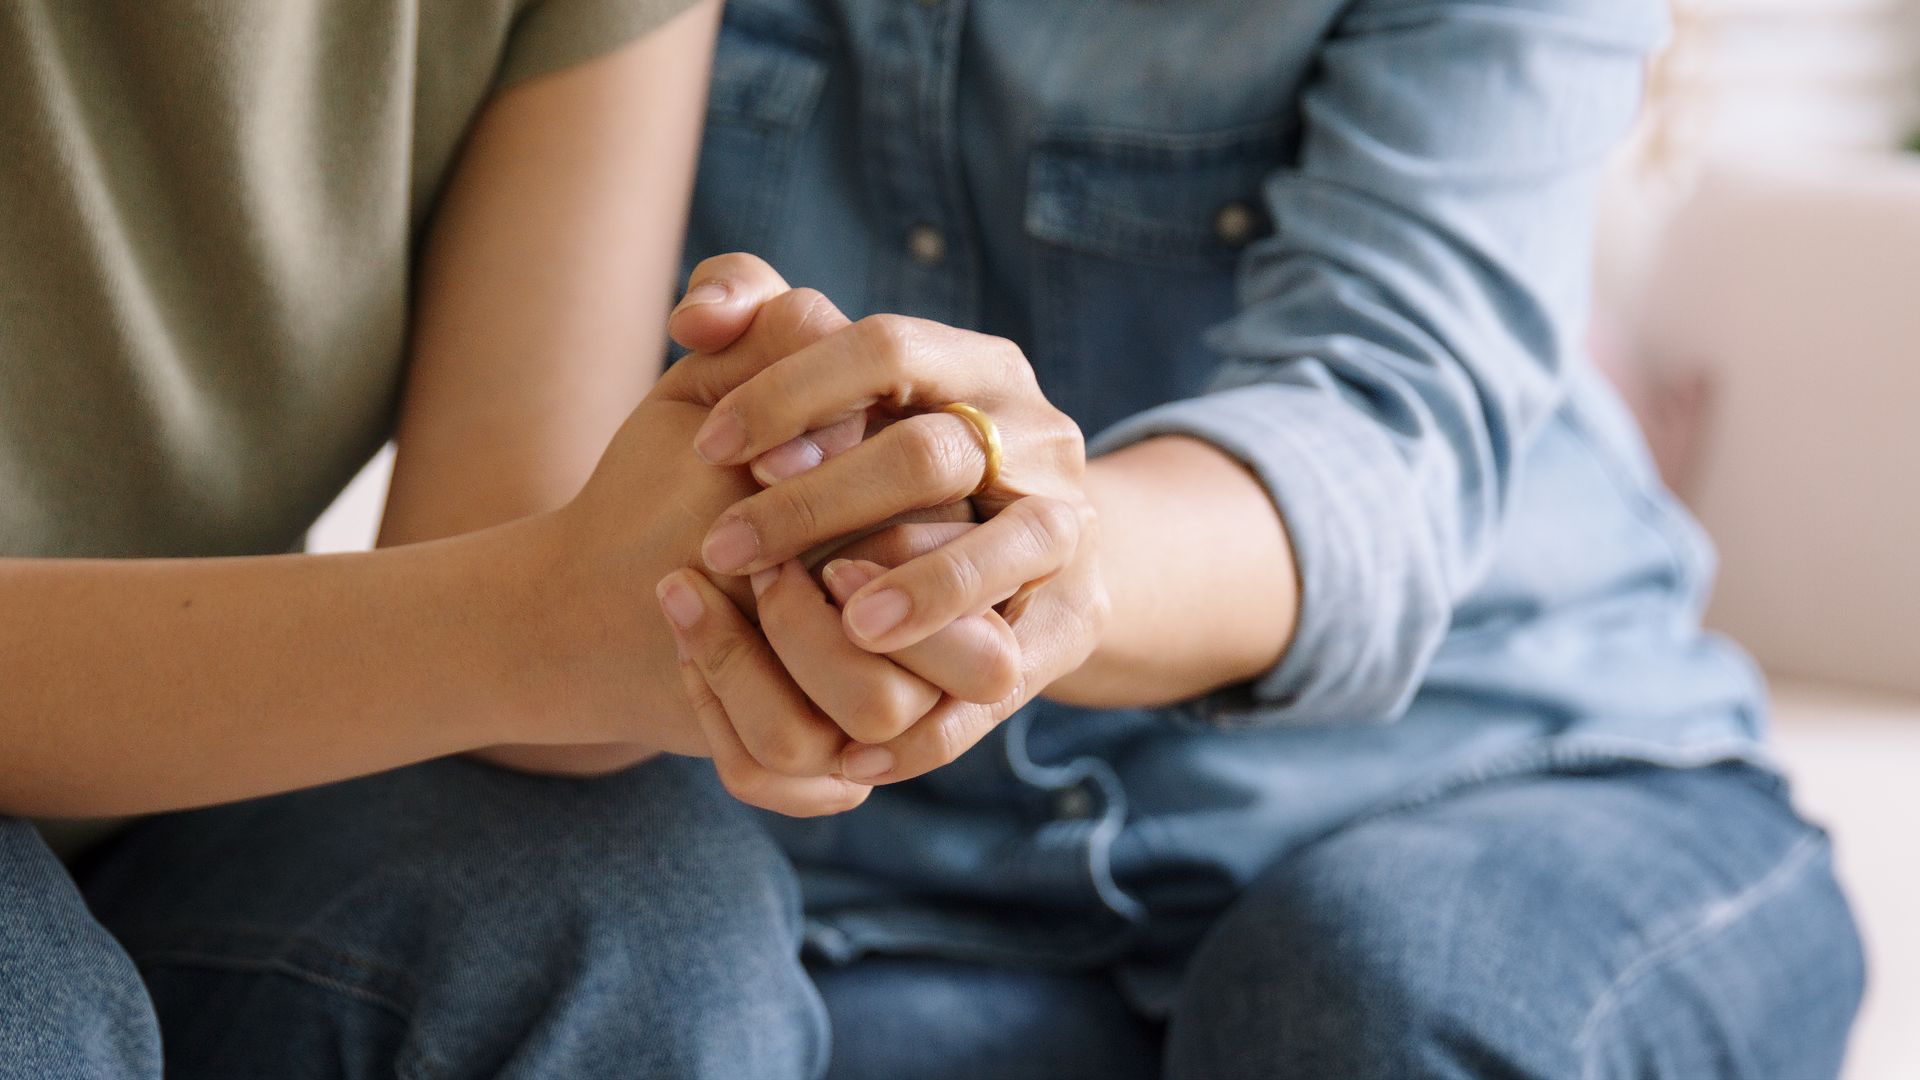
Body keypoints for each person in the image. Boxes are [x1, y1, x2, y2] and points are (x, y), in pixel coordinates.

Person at [2, 6, 1864, 1080]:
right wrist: (686, 576)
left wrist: (1038, 558)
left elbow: (1392, 415)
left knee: (1395, 998)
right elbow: (531, 555)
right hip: (871, 851)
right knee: (664, 969)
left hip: (1494, 759)